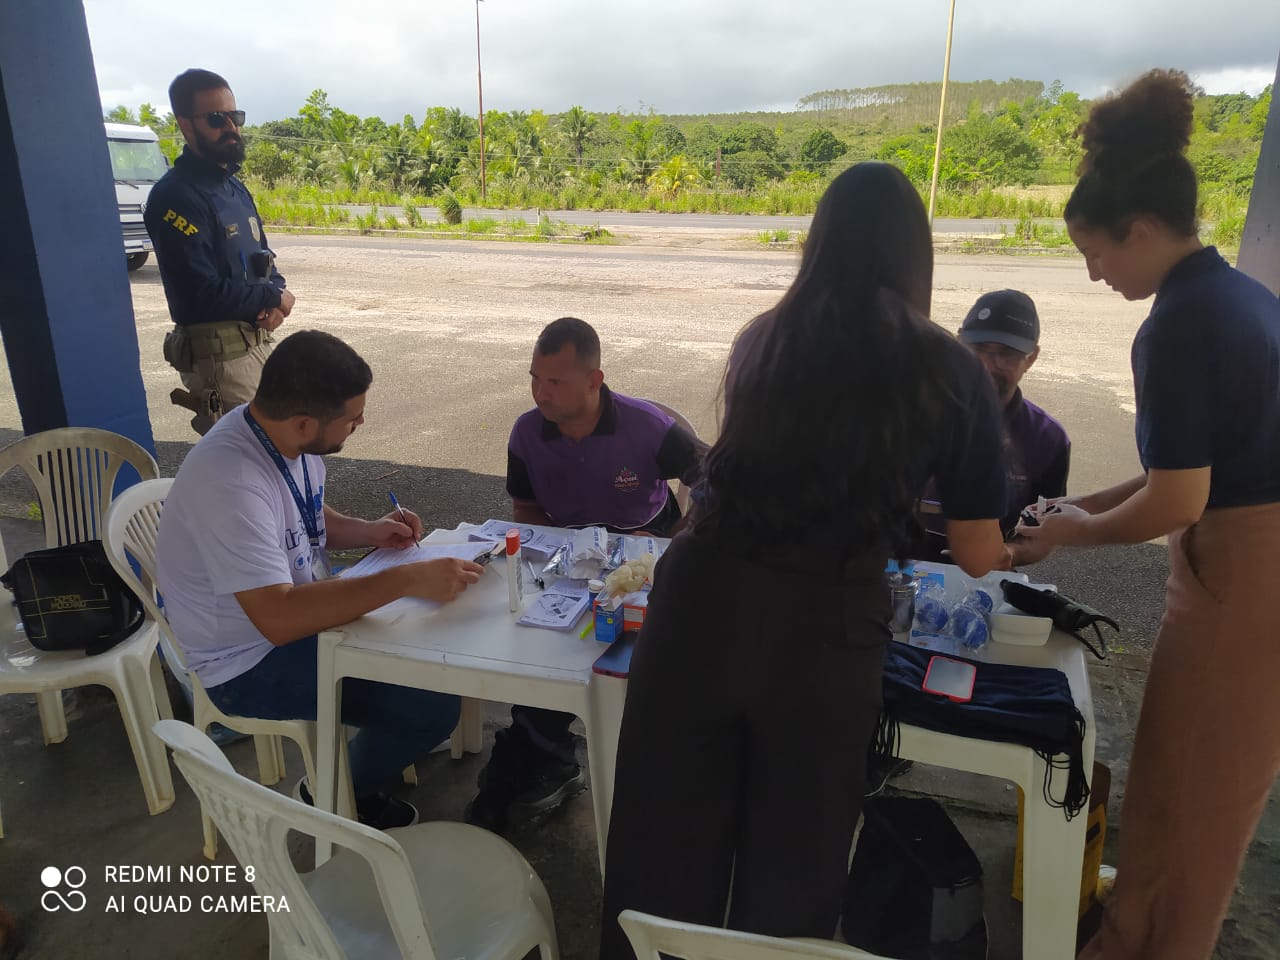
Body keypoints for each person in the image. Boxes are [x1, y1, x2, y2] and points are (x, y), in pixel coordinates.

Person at [598, 162, 1011, 959]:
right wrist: (1046, 536)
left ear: (820, 241)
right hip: (824, 634)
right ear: (912, 255)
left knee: (658, 856)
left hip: (698, 607)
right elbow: (976, 549)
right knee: (793, 873)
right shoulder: (950, 367)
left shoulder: (767, 336)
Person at [1016, 70, 1280, 960]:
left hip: (1248, 578)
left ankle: (1164, 942)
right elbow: (1183, 472)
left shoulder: (1175, 324)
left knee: (1203, 791)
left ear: (1138, 230)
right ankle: (1136, 925)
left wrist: (1065, 533)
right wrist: (1072, 504)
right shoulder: (1231, 296)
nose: (1094, 273)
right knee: (1176, 767)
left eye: (1096, 252)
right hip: (1240, 558)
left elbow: (1177, 500)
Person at [156, 330, 483, 829]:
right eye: (352, 418)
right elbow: (278, 619)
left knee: (434, 648)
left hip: (296, 615)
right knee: (431, 704)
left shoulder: (287, 438)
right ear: (305, 421)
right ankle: (332, 792)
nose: (360, 423)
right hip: (247, 660)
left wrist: (372, 531)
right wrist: (404, 580)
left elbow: (306, 514)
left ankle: (370, 758)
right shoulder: (230, 480)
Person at [466, 316, 704, 835]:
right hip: (567, 557)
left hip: (646, 553)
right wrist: (554, 558)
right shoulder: (527, 432)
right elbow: (524, 508)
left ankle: (537, 754)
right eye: (534, 378)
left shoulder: (647, 425)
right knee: (539, 644)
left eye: (555, 382)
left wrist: (678, 546)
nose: (540, 393)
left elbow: (713, 480)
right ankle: (545, 751)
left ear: (595, 380)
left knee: (625, 660)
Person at [145, 68, 295, 436]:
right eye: (216, 119)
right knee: (255, 457)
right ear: (185, 124)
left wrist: (274, 299)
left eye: (235, 116)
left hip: (257, 341)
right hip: (221, 358)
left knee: (287, 446)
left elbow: (263, 257)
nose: (230, 126)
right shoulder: (176, 197)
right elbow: (201, 295)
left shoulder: (233, 188)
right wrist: (274, 294)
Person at [918, 289, 1071, 566]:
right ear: (958, 343)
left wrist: (1008, 554)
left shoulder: (1048, 440)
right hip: (891, 574)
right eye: (978, 349)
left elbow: (1045, 532)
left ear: (1031, 357)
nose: (987, 366)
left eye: (1006, 354)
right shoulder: (908, 415)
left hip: (982, 582)